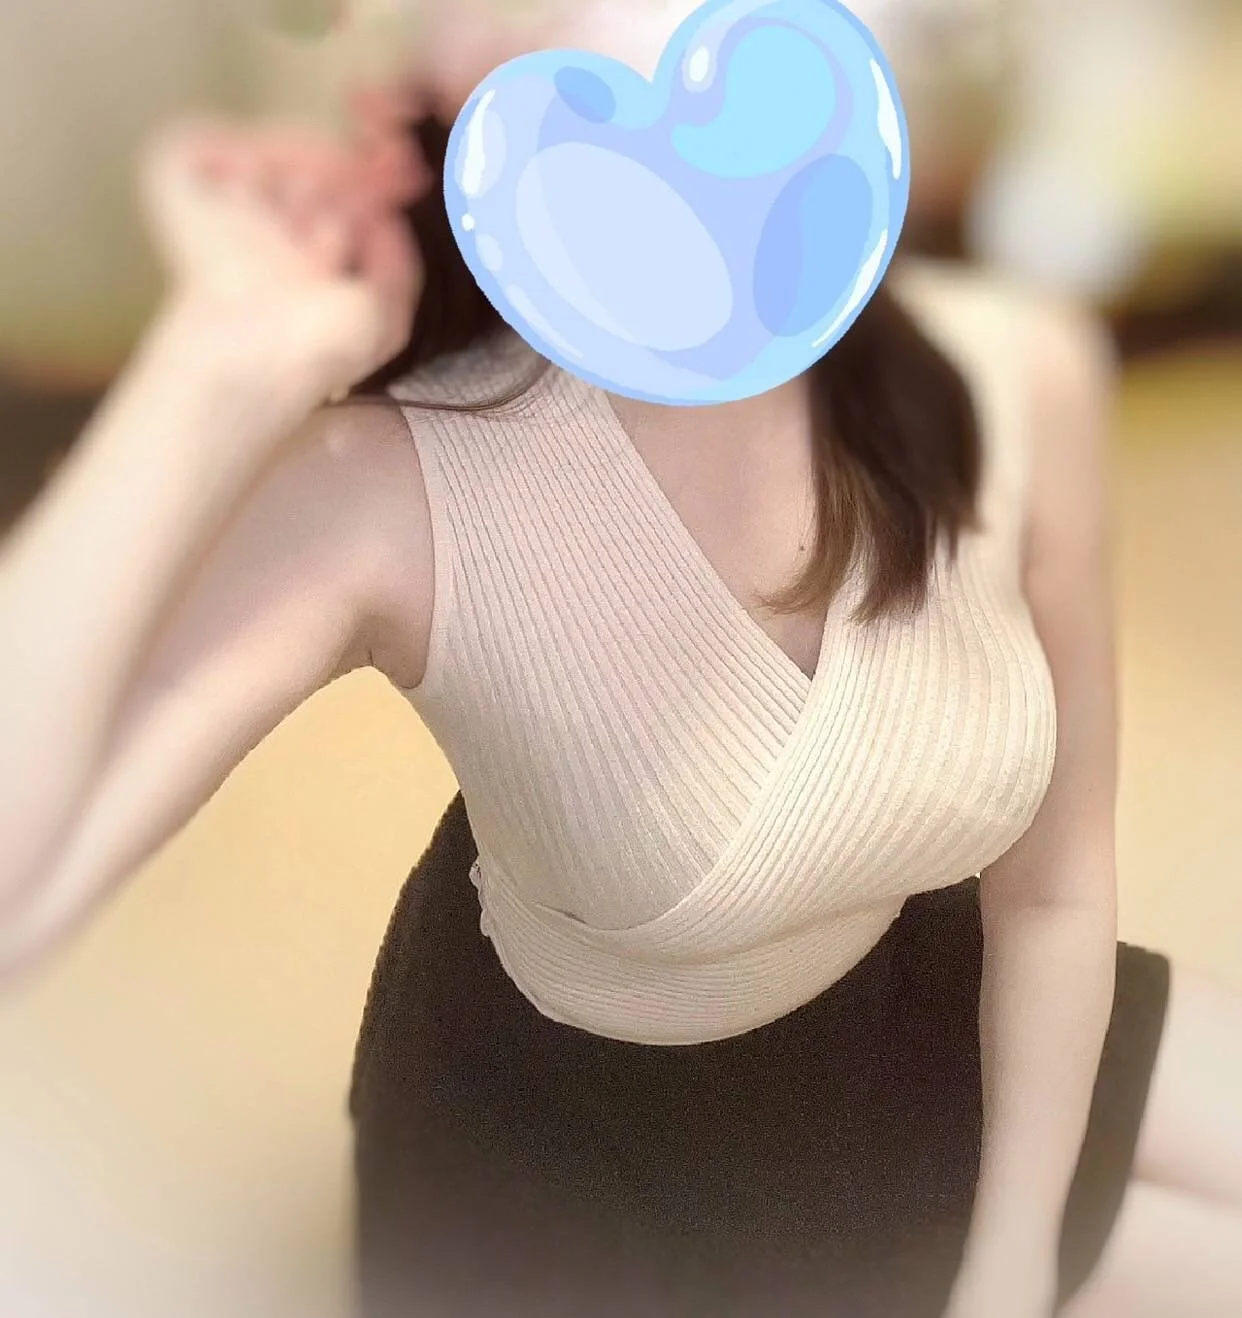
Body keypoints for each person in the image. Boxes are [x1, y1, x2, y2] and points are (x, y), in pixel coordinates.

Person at [1, 9, 1240, 1318]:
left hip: (912, 997)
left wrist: (1009, 1267)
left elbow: (1052, 893)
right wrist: (212, 364)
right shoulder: (389, 486)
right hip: (598, 1152)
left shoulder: (1012, 370)